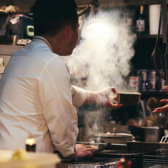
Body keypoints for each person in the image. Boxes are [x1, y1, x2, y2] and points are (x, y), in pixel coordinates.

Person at [0, 0, 122, 158]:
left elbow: (63, 91)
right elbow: (62, 121)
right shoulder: (51, 63)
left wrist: (98, 96)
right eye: (78, 29)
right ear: (68, 31)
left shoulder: (20, 56)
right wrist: (70, 150)